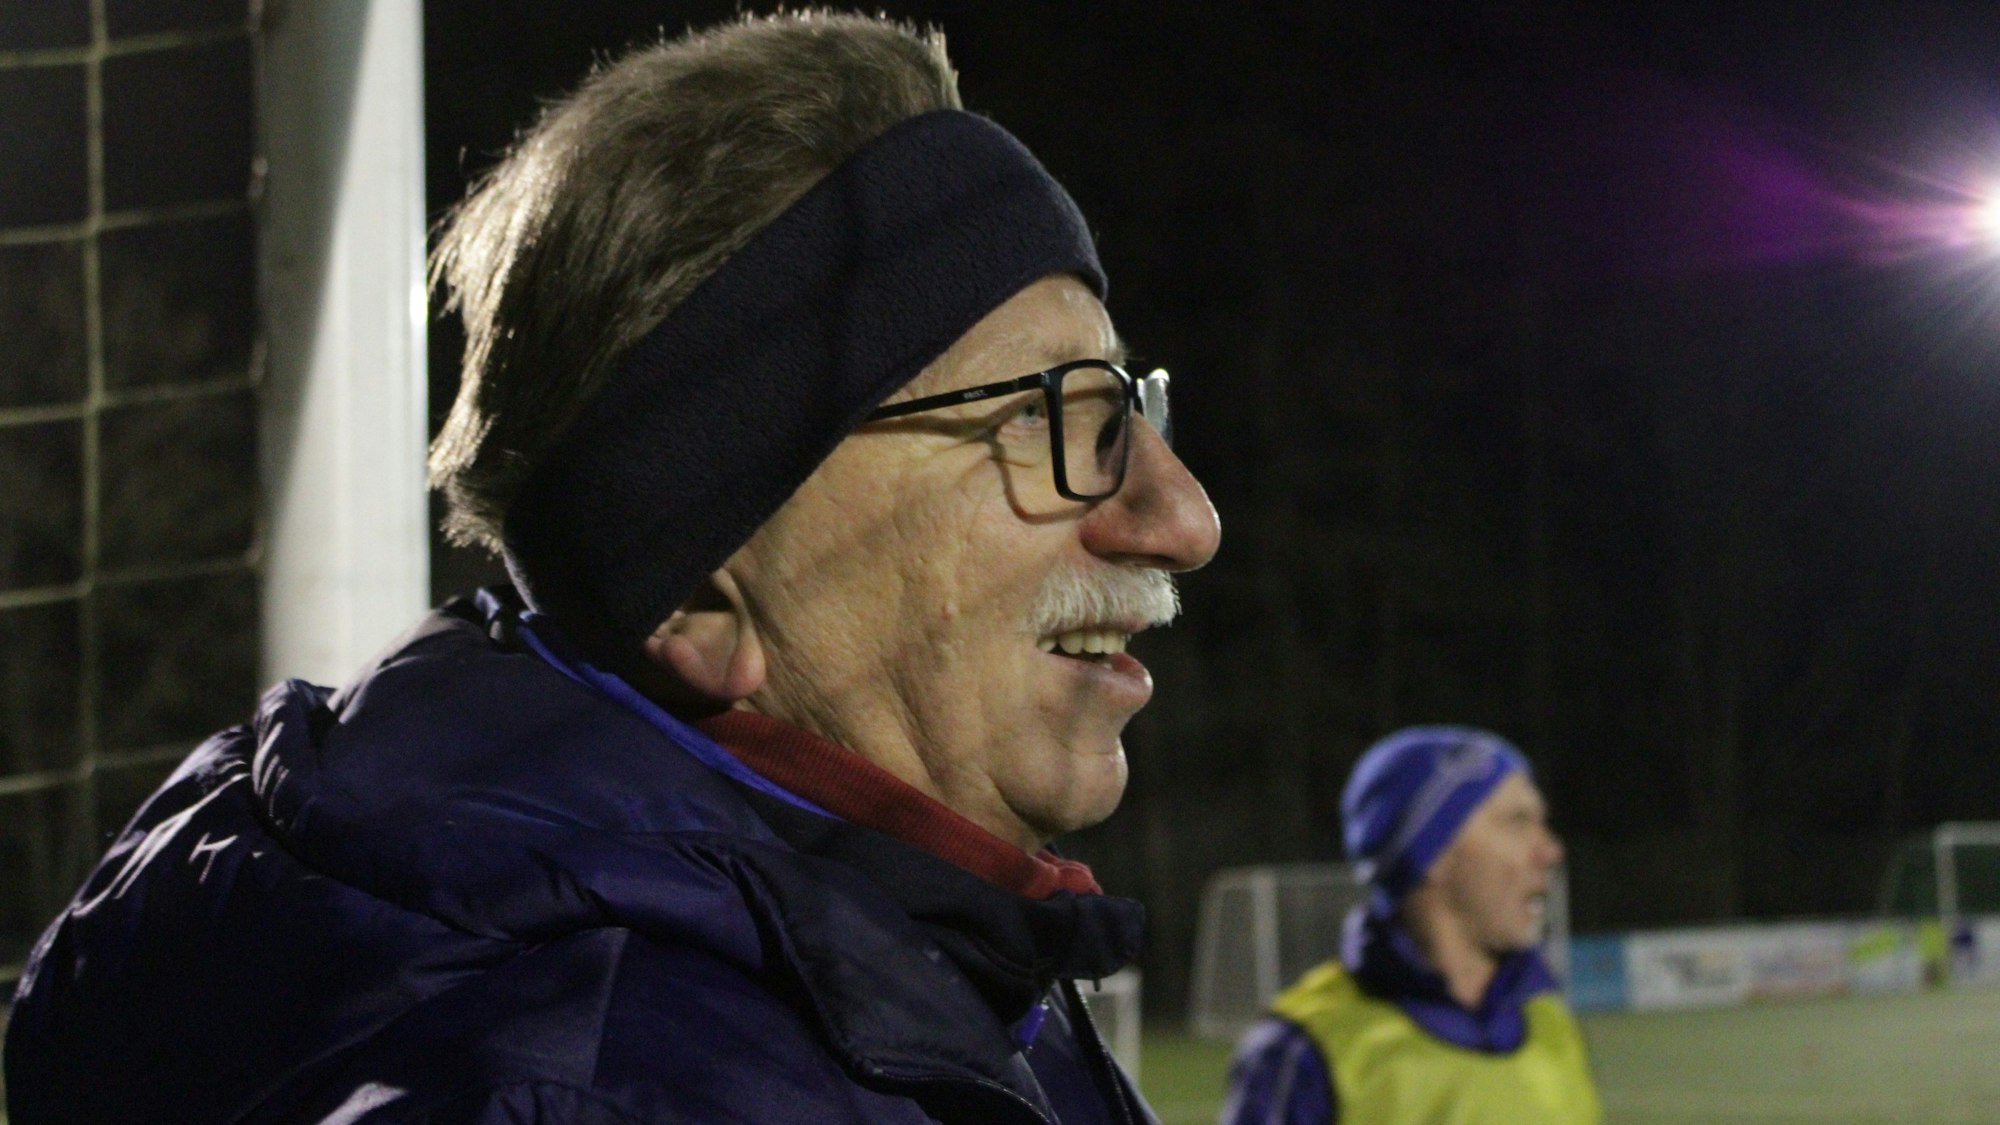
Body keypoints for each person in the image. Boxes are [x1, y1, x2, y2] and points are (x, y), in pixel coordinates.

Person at [4, 13, 1219, 1124]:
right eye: (1057, 419)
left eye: (1130, 405)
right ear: (696, 591)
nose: (1181, 518)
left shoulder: (915, 936)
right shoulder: (598, 1088)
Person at [1220, 726, 1601, 1124]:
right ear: (1430, 854)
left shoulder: (1551, 1024)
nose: (1550, 851)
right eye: (1517, 822)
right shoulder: (1305, 1054)